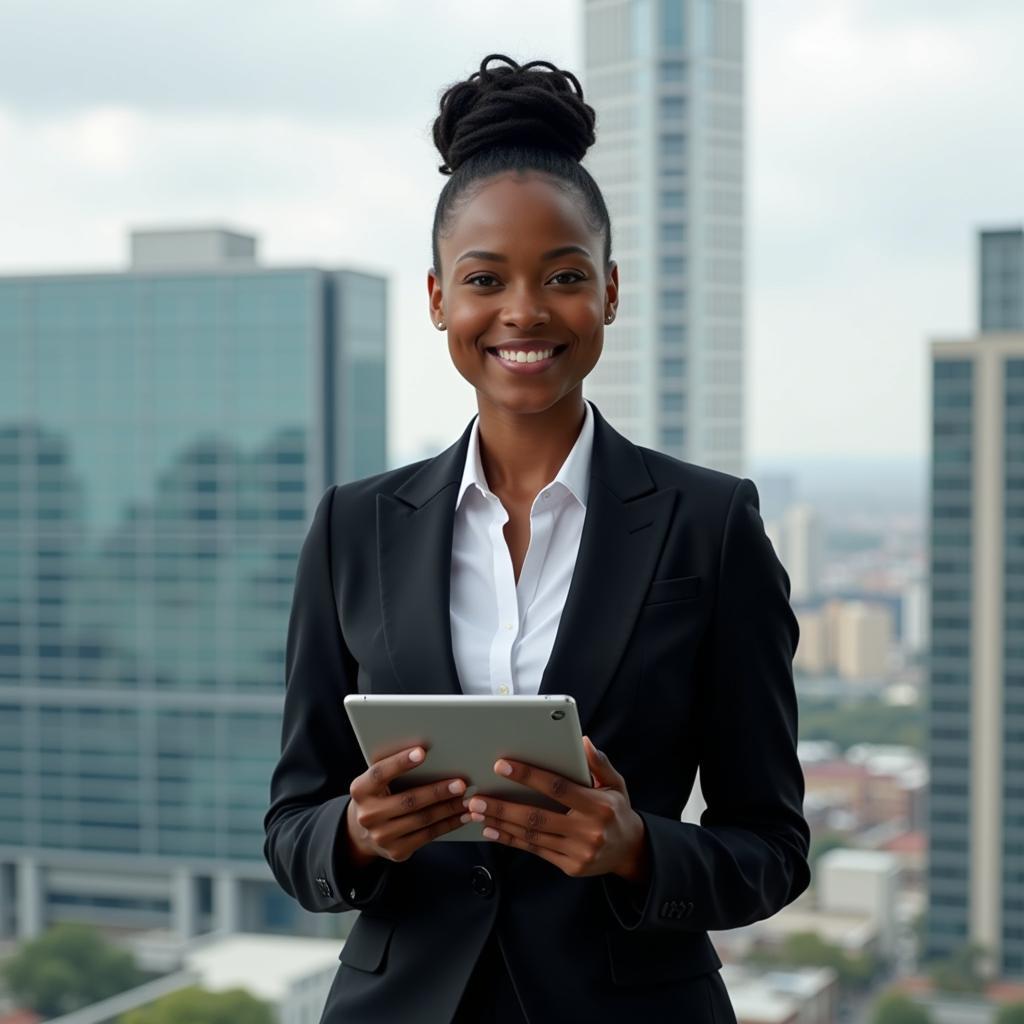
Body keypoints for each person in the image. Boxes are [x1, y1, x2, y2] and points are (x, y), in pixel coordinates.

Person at [263, 53, 811, 1024]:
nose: (523, 311)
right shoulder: (353, 526)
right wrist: (353, 831)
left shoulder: (710, 525)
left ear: (609, 291)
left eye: (562, 276)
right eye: (485, 279)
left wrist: (636, 847)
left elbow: (769, 844)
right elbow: (291, 828)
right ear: (438, 299)